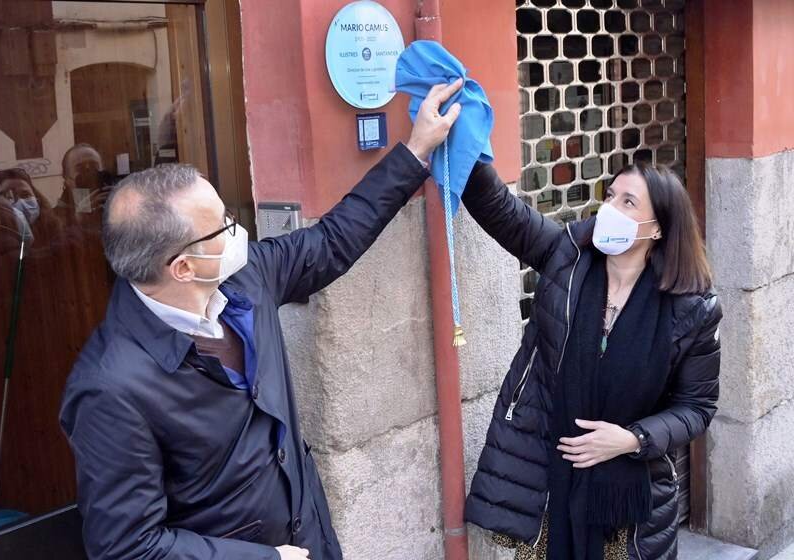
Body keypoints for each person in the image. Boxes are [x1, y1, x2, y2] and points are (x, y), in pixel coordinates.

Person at [59, 79, 463, 560]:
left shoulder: (244, 278)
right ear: (183, 267)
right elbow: (129, 547)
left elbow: (331, 241)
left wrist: (415, 151)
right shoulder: (110, 388)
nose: (237, 231)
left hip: (310, 534)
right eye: (222, 226)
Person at [463, 161, 722, 560]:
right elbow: (500, 209)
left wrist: (633, 439)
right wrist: (464, 143)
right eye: (610, 196)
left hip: (629, 502)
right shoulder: (567, 255)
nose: (610, 209)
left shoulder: (692, 308)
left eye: (628, 202)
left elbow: (697, 408)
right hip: (550, 486)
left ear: (657, 228)